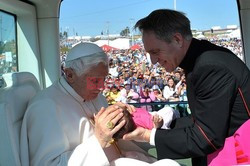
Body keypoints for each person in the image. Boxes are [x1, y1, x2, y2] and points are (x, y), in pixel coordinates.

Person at [123, 9, 250, 166]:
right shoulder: (202, 58)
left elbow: (207, 137)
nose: (153, 61)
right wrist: (157, 122)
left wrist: (148, 135)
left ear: (177, 39)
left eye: (156, 51)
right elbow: (203, 118)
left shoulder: (209, 66)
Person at [20, 42, 180, 166]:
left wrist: (125, 120)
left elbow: (116, 140)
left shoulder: (95, 96)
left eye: (104, 79)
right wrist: (99, 139)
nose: (102, 87)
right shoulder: (45, 106)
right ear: (70, 74)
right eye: (95, 80)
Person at [113, 106, 179, 140]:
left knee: (169, 110)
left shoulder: (131, 111)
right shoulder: (137, 124)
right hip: (161, 119)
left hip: (154, 114)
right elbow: (154, 128)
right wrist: (158, 124)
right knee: (169, 110)